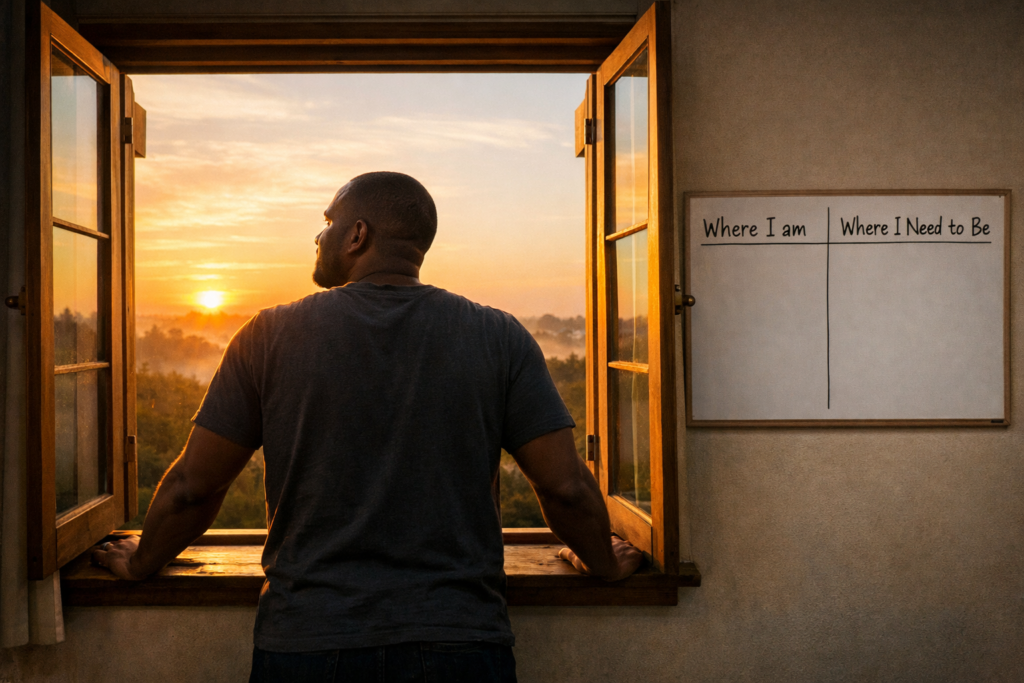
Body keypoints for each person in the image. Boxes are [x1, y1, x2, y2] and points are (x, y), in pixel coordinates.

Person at [92, 171, 642, 682]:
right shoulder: (499, 336)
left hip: (306, 642)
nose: (319, 234)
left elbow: (194, 486)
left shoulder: (269, 334)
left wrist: (142, 561)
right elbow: (565, 487)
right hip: (460, 642)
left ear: (357, 235)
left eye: (328, 222)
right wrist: (603, 563)